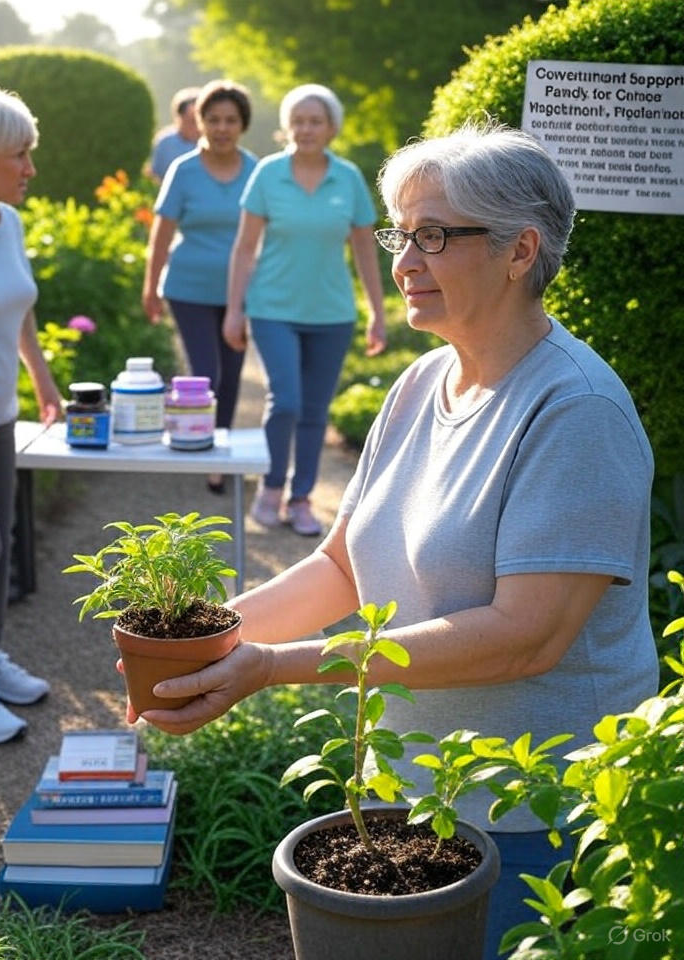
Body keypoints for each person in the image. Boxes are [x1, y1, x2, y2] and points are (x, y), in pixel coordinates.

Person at [132, 122, 658, 956]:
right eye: (401, 235)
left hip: (539, 818)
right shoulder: (422, 381)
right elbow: (342, 564)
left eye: (435, 236)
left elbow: (527, 638)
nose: (404, 261)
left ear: (521, 251)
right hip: (418, 794)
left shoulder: (576, 411)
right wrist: (209, 637)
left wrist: (271, 669)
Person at [223, 83, 386, 536]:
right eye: (297, 120)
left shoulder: (349, 177)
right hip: (273, 308)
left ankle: (301, 498)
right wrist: (234, 310)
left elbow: (366, 252)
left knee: (315, 411)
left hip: (332, 313)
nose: (305, 129)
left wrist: (377, 311)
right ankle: (271, 488)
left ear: (331, 127)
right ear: (286, 126)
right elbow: (244, 248)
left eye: (315, 121)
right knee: (287, 400)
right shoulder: (268, 175)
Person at [0, 86, 61, 745]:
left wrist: (42, 377)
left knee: (0, 544)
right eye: (18, 155)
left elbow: (20, 309)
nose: (30, 168)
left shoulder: (10, 222)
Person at [143, 80, 256, 493]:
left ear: (242, 124)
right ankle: (198, 442)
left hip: (239, 293)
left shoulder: (256, 170)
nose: (222, 128)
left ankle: (218, 452)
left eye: (230, 120)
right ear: (199, 121)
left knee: (231, 376)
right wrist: (150, 286)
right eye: (213, 119)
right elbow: (161, 233)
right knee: (206, 373)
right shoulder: (183, 170)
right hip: (188, 287)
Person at [147, 86, 200, 184]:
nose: (196, 127)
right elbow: (155, 175)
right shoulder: (165, 142)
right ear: (179, 118)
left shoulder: (214, 142)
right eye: (191, 121)